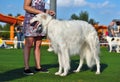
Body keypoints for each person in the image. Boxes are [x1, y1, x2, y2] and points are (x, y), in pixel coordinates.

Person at [23, 0, 55, 75]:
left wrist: (48, 11)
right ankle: (26, 68)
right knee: (29, 44)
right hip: (30, 21)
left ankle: (38, 67)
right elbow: (26, 6)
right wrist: (41, 12)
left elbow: (41, 9)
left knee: (38, 45)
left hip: (40, 23)